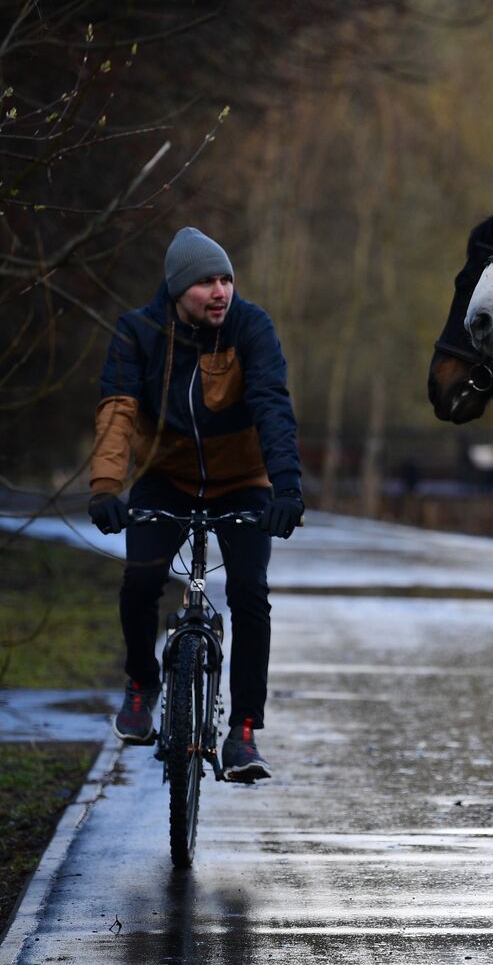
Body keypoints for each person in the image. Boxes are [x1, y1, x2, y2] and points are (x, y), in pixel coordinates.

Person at [88, 227, 303, 781]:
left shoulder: (250, 327)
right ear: (179, 287)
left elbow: (272, 405)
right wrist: (106, 488)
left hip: (242, 479)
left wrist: (287, 490)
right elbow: (118, 410)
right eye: (207, 281)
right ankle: (142, 684)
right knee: (140, 581)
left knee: (251, 592)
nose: (220, 291)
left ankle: (244, 732)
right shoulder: (138, 333)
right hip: (166, 476)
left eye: (226, 279)